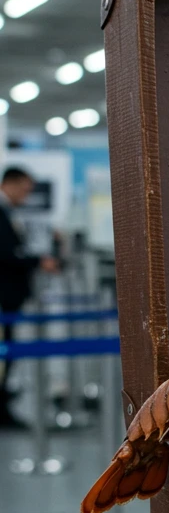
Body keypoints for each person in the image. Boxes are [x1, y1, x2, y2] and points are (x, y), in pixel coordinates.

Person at [0, 167, 61, 428]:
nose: (26, 195)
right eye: (24, 189)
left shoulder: (8, 213)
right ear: (10, 184)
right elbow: (6, 254)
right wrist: (37, 260)